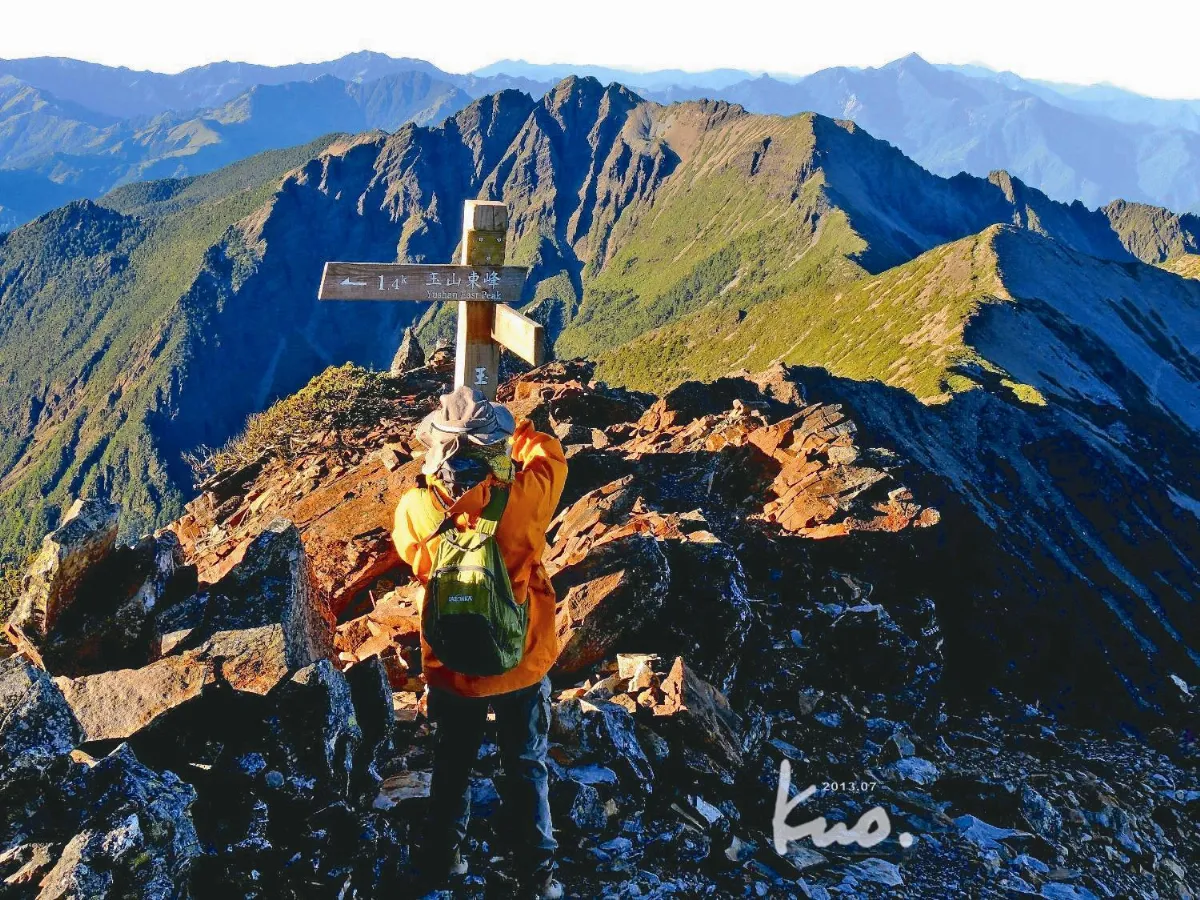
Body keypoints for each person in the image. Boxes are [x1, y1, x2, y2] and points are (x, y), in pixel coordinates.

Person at [392, 385, 568, 899]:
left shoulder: (416, 508)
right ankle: (536, 876)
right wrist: (521, 432)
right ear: (492, 447)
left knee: (452, 765)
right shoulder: (526, 499)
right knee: (525, 763)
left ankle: (444, 860)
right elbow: (552, 457)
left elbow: (412, 556)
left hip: (452, 666)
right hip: (521, 658)